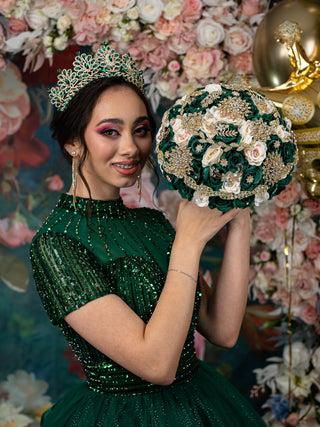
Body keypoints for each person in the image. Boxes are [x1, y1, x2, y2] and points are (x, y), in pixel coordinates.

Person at [30, 44, 267, 426]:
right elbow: (157, 365)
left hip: (201, 404)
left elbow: (222, 330)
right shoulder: (57, 243)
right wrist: (189, 242)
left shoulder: (150, 222)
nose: (131, 148)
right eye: (110, 131)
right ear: (73, 142)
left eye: (140, 131)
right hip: (122, 415)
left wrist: (239, 215)